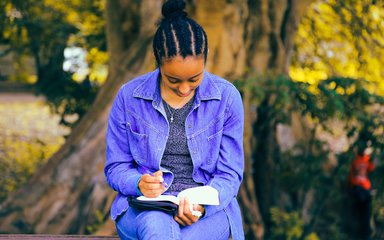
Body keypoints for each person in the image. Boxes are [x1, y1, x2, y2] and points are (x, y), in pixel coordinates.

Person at [104, 0, 245, 239]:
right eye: (173, 80)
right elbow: (116, 166)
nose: (183, 89)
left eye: (194, 79)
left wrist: (200, 205)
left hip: (209, 211)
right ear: (158, 61)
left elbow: (229, 173)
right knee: (156, 224)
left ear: (205, 60)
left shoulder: (226, 98)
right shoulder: (129, 97)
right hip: (143, 210)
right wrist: (139, 183)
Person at [347, 141, 376, 240]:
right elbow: (350, 175)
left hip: (365, 188)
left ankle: (366, 233)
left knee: (366, 207)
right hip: (357, 187)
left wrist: (372, 157)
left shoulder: (367, 159)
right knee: (361, 205)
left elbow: (372, 168)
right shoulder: (354, 160)